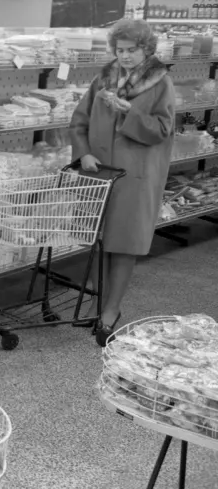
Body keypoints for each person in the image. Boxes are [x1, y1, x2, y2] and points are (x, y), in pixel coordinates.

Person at [70, 19, 174, 332]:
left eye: (132, 50)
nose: (125, 56)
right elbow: (79, 121)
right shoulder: (104, 76)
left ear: (147, 49)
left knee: (124, 244)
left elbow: (162, 130)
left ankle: (111, 310)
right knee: (97, 239)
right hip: (98, 172)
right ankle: (96, 300)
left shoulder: (159, 82)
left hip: (136, 176)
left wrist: (129, 110)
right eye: (120, 49)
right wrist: (83, 152)